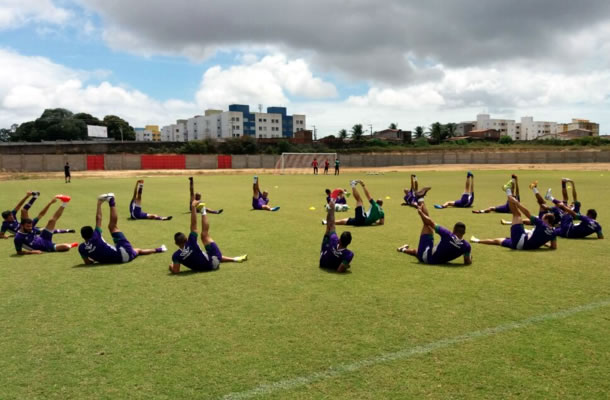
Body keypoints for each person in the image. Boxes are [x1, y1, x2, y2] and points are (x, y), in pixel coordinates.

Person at [79, 193, 167, 264]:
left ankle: (160, 249)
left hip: (124, 259)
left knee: (138, 251)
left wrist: (95, 257)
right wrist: (99, 203)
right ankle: (111, 200)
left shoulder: (81, 248)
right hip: (123, 252)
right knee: (112, 227)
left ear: (82, 237)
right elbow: (99, 218)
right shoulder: (96, 235)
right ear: (92, 233)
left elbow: (88, 262)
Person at [170, 194, 247, 274]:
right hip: (213, 264)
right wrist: (193, 207)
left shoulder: (176, 256)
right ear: (186, 239)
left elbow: (176, 271)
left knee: (205, 254)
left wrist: (171, 266)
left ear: (176, 243)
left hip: (204, 267)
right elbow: (193, 225)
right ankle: (203, 210)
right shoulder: (191, 242)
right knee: (204, 236)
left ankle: (234, 259)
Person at [397, 199, 472, 265]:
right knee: (417, 251)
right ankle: (402, 249)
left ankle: (420, 199)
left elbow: (430, 223)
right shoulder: (466, 246)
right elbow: (467, 262)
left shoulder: (448, 234)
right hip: (436, 260)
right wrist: (470, 258)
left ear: (453, 230)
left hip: (427, 258)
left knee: (427, 225)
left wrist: (420, 213)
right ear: (464, 233)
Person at [471, 195, 557, 250]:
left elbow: (528, 214)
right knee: (497, 241)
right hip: (520, 245)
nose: (541, 218)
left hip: (521, 240)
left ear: (546, 220)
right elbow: (553, 247)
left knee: (517, 214)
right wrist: (543, 243)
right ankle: (477, 240)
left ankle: (510, 197)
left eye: (543, 217)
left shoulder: (541, 224)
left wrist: (517, 203)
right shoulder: (553, 233)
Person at [2, 191, 74, 238]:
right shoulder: (5, 225)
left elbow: (18, 205)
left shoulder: (12, 215)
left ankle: (35, 196)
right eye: (10, 217)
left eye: (12, 215)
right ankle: (67, 230)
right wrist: (7, 236)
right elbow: (1, 235)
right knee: (44, 228)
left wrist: (27, 196)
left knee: (24, 210)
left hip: (24, 224)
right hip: (26, 229)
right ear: (6, 219)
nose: (12, 217)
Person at [319, 198, 354, 273]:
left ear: (340, 239)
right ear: (349, 242)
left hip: (323, 262)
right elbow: (339, 270)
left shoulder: (334, 239)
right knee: (329, 229)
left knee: (329, 229)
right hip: (328, 265)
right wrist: (346, 266)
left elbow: (331, 224)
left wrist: (332, 209)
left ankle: (330, 207)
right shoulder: (349, 254)